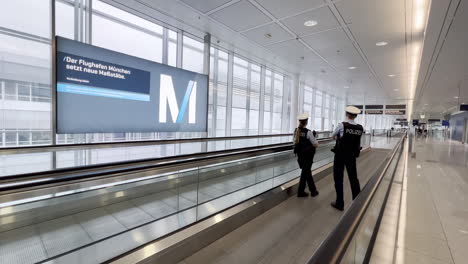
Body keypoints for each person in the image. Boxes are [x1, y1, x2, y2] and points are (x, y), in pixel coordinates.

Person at [330, 106, 364, 211]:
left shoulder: (342, 125)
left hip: (340, 155)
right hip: (352, 156)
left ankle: (340, 203)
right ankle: (358, 202)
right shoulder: (360, 128)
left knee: (338, 178)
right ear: (356, 116)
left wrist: (338, 137)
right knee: (353, 178)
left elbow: (332, 135)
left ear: (346, 114)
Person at [293, 113, 319, 197]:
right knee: (306, 172)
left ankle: (304, 191)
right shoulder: (308, 132)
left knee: (305, 172)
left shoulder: (296, 131)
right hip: (308, 156)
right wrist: (314, 138)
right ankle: (312, 191)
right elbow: (315, 144)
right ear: (306, 122)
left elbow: (295, 143)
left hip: (300, 157)